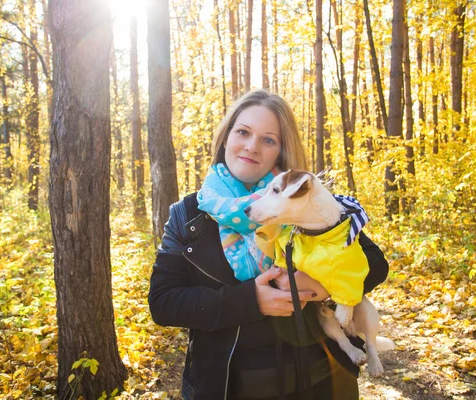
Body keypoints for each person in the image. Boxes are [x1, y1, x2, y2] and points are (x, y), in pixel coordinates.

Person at [148, 90, 389, 400]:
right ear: (226, 138)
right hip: (229, 385)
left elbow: (374, 262)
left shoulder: (306, 200)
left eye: (268, 140)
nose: (252, 146)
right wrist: (251, 301)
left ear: (281, 151)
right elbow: (163, 302)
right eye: (243, 132)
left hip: (321, 378)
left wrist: (322, 284)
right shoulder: (188, 215)